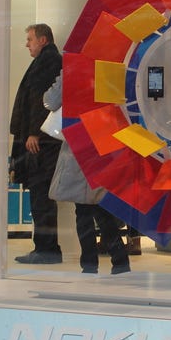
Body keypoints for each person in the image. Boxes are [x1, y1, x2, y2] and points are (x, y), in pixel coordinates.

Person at [43, 74, 130, 274]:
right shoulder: (112, 65)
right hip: (106, 137)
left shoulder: (73, 69)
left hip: (80, 137)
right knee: (100, 207)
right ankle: (119, 260)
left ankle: (91, 264)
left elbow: (50, 100)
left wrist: (63, 79)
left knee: (83, 209)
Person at [10, 23, 63, 264]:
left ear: (43, 40)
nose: (27, 44)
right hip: (44, 139)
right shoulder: (47, 61)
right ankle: (45, 247)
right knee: (41, 195)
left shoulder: (48, 61)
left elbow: (41, 101)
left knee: (41, 195)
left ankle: (46, 249)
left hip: (42, 141)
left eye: (30, 39)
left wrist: (34, 132)